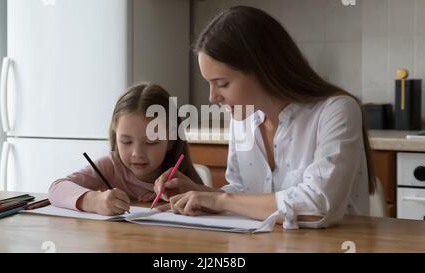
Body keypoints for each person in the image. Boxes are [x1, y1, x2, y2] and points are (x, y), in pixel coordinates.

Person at [154, 6, 375, 229]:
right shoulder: (242, 118)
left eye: (223, 84)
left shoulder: (336, 111)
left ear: (262, 69)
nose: (212, 97)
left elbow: (317, 208)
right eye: (209, 84)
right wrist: (200, 193)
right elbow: (243, 196)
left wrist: (219, 200)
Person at [49, 83, 202, 215]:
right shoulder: (111, 166)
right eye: (126, 141)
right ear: (116, 136)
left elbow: (220, 204)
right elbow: (56, 189)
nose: (137, 154)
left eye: (151, 142)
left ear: (170, 141)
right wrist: (95, 201)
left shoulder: (181, 180)